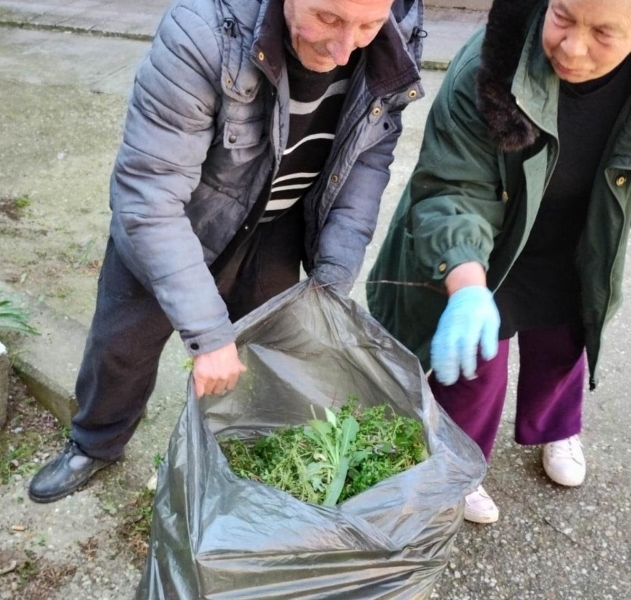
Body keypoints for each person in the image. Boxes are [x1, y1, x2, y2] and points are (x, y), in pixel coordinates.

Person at [28, 0, 425, 503]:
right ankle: (95, 442)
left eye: (367, 25)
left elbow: (367, 161)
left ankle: (230, 465)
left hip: (275, 225)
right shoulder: (204, 32)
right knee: (121, 348)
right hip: (179, 221)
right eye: (328, 18)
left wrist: (333, 274)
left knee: (264, 355)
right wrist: (208, 333)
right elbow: (148, 195)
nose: (346, 49)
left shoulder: (395, 40)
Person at [367, 0, 631, 524]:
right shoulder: (490, 65)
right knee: (472, 367)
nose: (574, 49)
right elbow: (453, 185)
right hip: (487, 238)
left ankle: (556, 429)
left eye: (604, 32)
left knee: (563, 340)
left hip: (577, 234)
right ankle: (461, 464)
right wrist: (465, 286)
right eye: (563, 17)